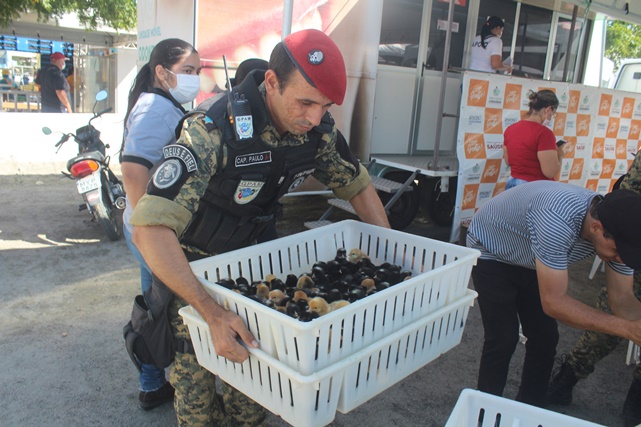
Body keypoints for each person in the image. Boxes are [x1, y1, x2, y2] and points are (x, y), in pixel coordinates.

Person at [130, 29, 390, 426]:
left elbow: (358, 186)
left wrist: (391, 265)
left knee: (253, 405)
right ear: (271, 82)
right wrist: (212, 314)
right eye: (305, 102)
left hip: (254, 273)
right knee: (198, 412)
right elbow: (148, 230)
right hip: (192, 277)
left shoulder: (317, 133)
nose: (315, 117)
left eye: (325, 106)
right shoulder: (213, 130)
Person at [466, 179, 641, 408]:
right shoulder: (556, 217)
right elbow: (554, 303)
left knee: (545, 338)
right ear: (596, 228)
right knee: (503, 338)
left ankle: (530, 410)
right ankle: (483, 412)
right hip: (491, 250)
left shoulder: (619, 231)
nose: (620, 258)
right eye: (618, 251)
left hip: (535, 257)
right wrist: (626, 328)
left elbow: (621, 299)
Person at [121, 38, 201, 410]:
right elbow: (134, 172)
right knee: (157, 313)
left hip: (148, 229)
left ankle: (152, 384)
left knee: (155, 307)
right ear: (161, 72)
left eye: (198, 72)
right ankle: (152, 384)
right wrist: (147, 234)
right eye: (188, 71)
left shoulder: (163, 104)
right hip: (148, 230)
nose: (195, 79)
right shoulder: (155, 109)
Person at [548, 150, 641, 427]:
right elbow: (630, 198)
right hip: (634, 243)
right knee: (613, 318)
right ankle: (568, 377)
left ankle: (635, 407)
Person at [502, 90, 563, 190]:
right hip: (534, 189)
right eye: (553, 113)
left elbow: (508, 161)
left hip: (512, 186)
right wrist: (559, 154)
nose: (551, 118)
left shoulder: (510, 129)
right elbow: (550, 172)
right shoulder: (544, 134)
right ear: (548, 109)